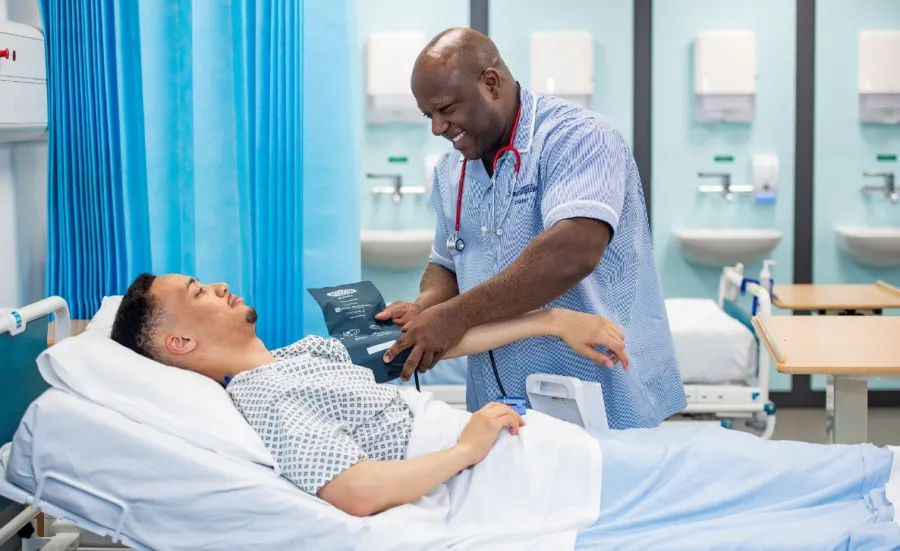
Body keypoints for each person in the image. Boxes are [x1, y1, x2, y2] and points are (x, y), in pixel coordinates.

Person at [110, 273, 899, 549]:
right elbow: (351, 491)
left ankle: (877, 485)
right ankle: (876, 501)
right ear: (178, 340)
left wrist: (552, 321)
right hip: (506, 471)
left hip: (528, 454)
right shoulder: (263, 394)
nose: (217, 286)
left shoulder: (293, 360)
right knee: (716, 479)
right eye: (196, 293)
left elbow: (435, 346)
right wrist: (468, 444)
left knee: (723, 467)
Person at [375, 27, 684, 429]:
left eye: (446, 109)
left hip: (601, 386)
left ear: (491, 83)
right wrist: (425, 307)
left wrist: (453, 317)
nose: (437, 128)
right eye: (428, 116)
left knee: (604, 488)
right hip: (498, 406)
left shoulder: (579, 137)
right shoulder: (453, 170)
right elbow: (448, 262)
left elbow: (570, 254)